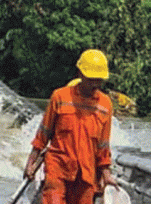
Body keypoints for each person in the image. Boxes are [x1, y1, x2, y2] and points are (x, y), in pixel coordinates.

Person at [23, 49, 118, 204]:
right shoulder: (60, 97)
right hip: (58, 168)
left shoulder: (105, 104)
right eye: (91, 79)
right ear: (80, 74)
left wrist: (106, 175)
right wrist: (31, 162)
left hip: (86, 174)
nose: (95, 83)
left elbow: (103, 146)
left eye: (99, 79)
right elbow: (43, 133)